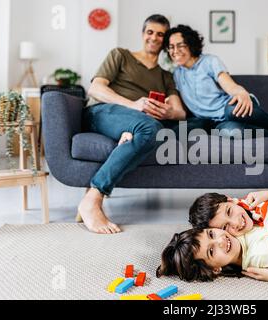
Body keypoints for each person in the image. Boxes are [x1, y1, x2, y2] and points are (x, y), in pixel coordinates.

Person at [79, 14, 188, 234]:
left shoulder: (166, 76)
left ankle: (126, 140)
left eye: (160, 34)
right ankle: (93, 198)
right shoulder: (120, 55)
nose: (154, 38)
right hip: (103, 112)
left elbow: (180, 112)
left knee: (155, 129)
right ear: (142, 34)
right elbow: (96, 89)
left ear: (165, 40)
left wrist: (168, 111)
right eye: (150, 32)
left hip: (138, 122)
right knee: (149, 128)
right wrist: (133, 104)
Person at [162, 24, 268, 140]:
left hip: (231, 108)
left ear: (191, 44)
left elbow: (228, 84)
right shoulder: (176, 74)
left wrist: (240, 91)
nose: (175, 51)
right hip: (212, 123)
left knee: (231, 111)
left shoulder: (209, 61)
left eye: (180, 45)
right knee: (230, 133)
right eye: (171, 47)